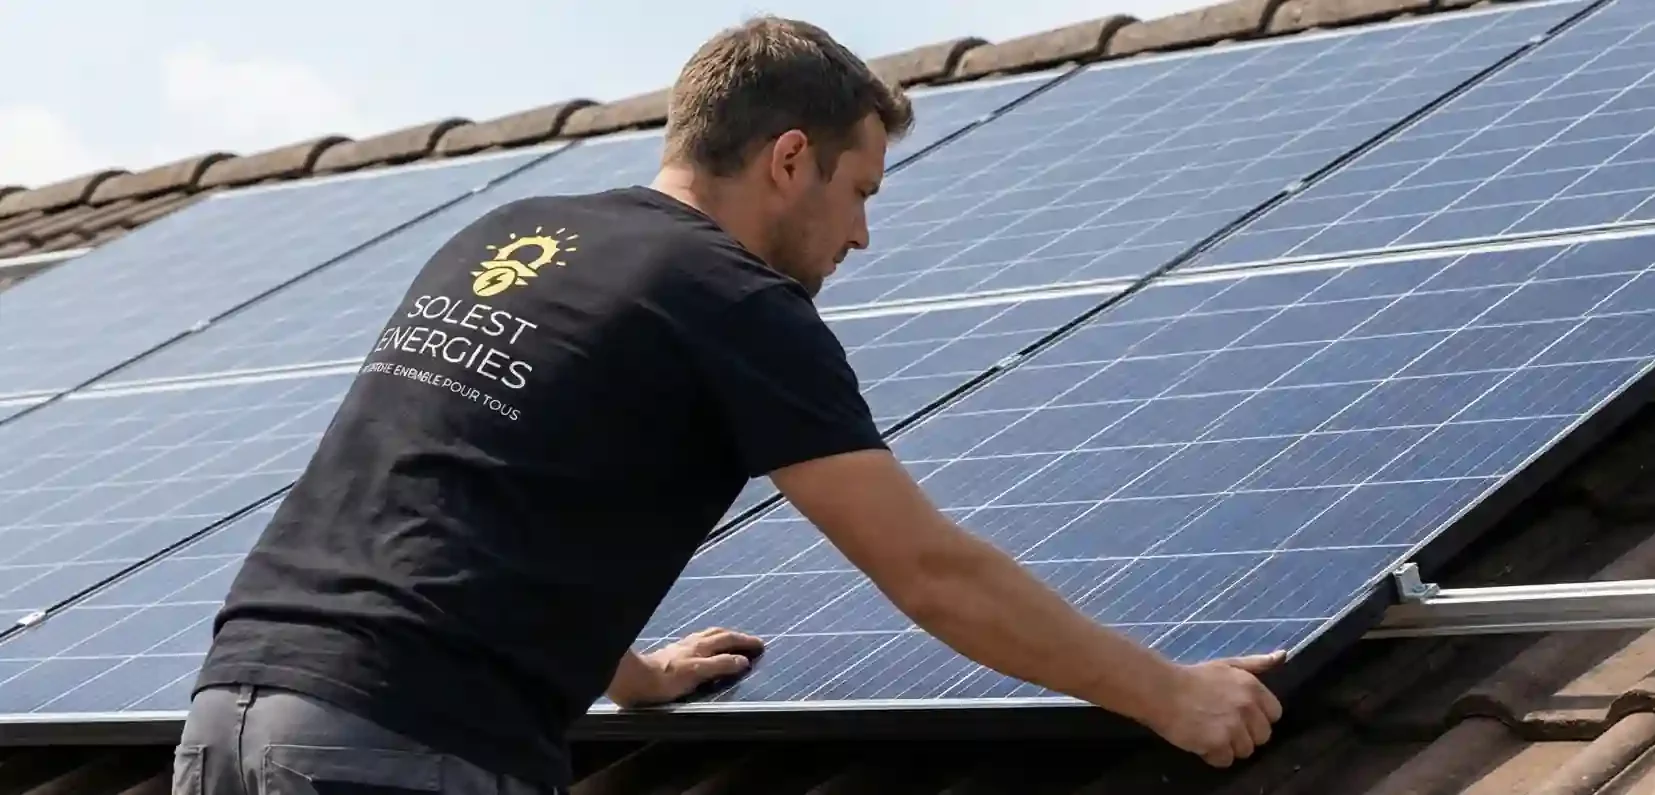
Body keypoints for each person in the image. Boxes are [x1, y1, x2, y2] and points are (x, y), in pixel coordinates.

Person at [173, 15, 1287, 795]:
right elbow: (928, 571)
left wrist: (629, 670)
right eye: (858, 192)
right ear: (789, 158)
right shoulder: (732, 299)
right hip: (406, 749)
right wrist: (1170, 696)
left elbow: (461, 488)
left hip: (229, 720)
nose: (860, 235)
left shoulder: (513, 237)